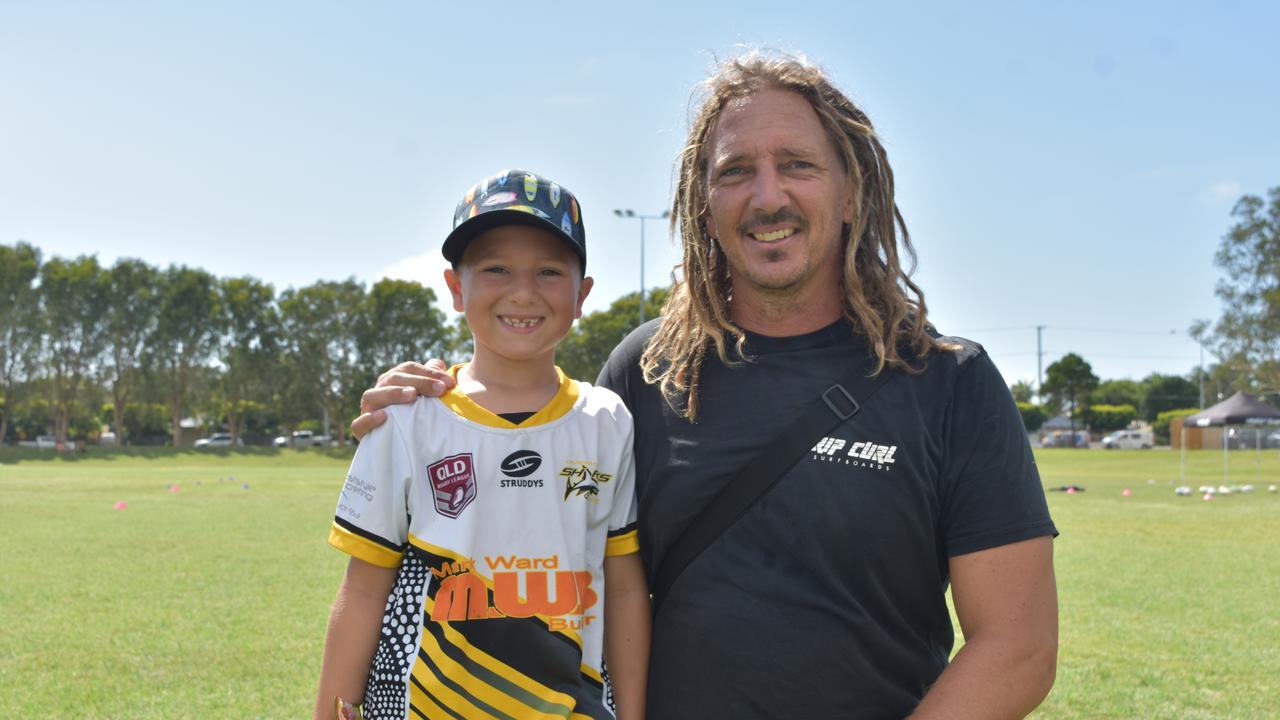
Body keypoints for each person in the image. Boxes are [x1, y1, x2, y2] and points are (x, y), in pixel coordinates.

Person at [353, 51, 1058, 718]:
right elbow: (530, 545)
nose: (767, 195)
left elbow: (1017, 648)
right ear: (703, 206)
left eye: (799, 165)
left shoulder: (946, 382)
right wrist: (427, 407)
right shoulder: (645, 370)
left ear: (852, 194)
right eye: (735, 172)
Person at [315, 170, 650, 720]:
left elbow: (622, 586)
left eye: (548, 271)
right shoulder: (406, 418)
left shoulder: (606, 419)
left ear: (582, 294)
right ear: (455, 289)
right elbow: (365, 587)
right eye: (496, 269)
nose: (522, 291)